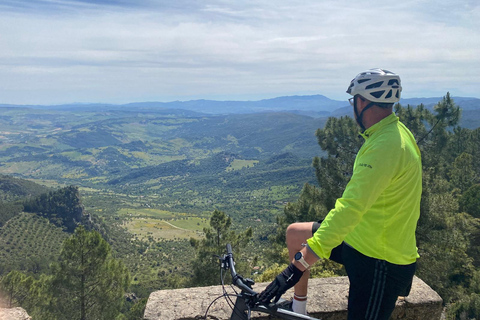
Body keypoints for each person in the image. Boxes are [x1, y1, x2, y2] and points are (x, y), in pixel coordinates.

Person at [258, 69, 422, 320]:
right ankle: (297, 309)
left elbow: (350, 208)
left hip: (380, 260)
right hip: (360, 238)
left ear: (363, 102)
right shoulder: (392, 134)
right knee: (296, 234)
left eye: (353, 100)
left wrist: (299, 266)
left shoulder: (385, 146)